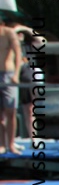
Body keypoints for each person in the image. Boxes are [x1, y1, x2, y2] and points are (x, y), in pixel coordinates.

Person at [0, 15, 23, 154]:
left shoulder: (9, 33)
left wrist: (16, 74)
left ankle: (11, 143)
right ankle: (2, 144)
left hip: (8, 74)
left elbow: (18, 53)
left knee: (11, 111)